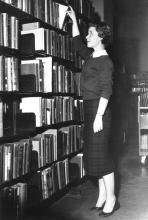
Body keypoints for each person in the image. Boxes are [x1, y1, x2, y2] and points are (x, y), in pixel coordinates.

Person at [67, 6, 120, 217]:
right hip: (91, 110)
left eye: (91, 33)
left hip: (100, 111)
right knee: (94, 157)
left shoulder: (105, 62)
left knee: (102, 158)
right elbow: (78, 44)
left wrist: (99, 116)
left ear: (100, 38)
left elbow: (107, 90)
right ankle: (101, 196)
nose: (87, 36)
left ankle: (112, 198)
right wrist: (73, 20)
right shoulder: (92, 56)